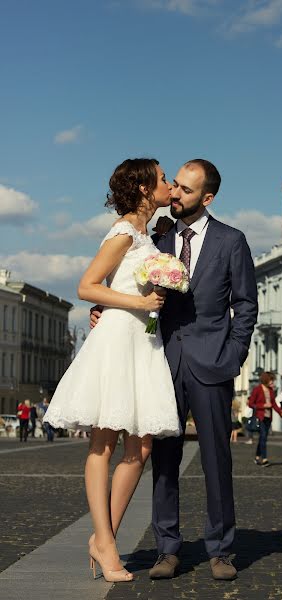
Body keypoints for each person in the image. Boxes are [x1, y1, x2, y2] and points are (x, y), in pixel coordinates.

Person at [91, 158, 258, 581]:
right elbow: (127, 281)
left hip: (212, 363)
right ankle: (168, 548)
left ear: (207, 197)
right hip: (160, 360)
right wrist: (103, 307)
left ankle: (221, 550)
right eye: (175, 185)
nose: (176, 194)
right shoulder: (157, 235)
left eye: (185, 190)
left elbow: (246, 305)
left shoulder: (232, 240)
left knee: (217, 458)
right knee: (163, 457)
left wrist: (233, 355)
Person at [44, 158, 181, 583]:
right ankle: (105, 542)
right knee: (103, 443)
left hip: (143, 341)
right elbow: (87, 286)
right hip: (120, 339)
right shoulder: (123, 232)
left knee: (140, 449)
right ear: (143, 189)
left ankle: (105, 538)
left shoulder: (148, 235)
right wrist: (138, 303)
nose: (169, 184)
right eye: (162, 179)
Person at [248, 372, 282, 466]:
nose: (272, 382)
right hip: (260, 417)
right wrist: (263, 406)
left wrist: (281, 412)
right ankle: (264, 459)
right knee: (263, 437)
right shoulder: (257, 389)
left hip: (268, 417)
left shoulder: (271, 390)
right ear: (266, 380)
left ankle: (257, 456)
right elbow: (251, 403)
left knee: (263, 438)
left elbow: (274, 404)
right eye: (271, 380)